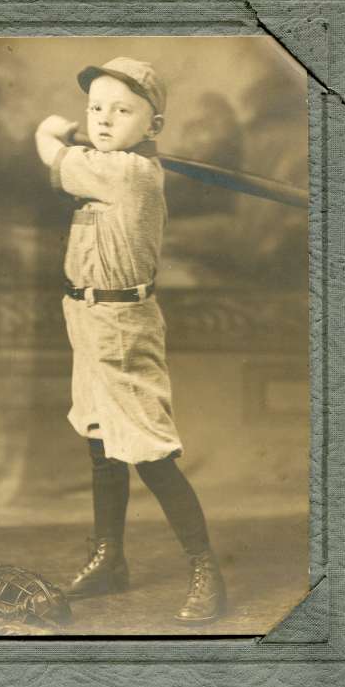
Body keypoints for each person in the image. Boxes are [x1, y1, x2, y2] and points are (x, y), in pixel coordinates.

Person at [35, 57, 226, 623]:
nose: (103, 119)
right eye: (94, 108)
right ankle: (110, 559)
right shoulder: (108, 162)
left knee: (149, 452)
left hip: (123, 325)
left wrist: (61, 129)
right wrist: (84, 136)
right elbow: (73, 146)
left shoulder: (126, 173)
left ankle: (206, 570)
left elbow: (46, 140)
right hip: (86, 317)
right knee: (100, 442)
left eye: (123, 110)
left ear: (153, 126)